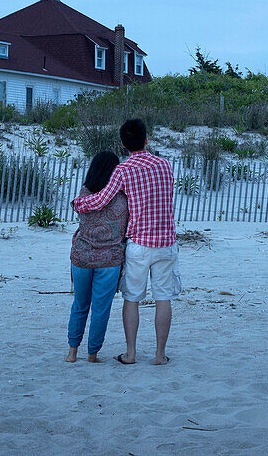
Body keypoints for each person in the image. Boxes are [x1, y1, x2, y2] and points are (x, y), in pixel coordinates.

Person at [72, 118, 177, 365]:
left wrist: (78, 204)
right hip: (166, 242)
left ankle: (130, 353)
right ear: (146, 139)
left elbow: (101, 200)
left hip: (139, 242)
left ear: (122, 144)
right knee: (163, 298)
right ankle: (160, 355)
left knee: (132, 298)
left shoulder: (123, 170)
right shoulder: (165, 165)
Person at [66, 151, 128, 363]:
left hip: (82, 257)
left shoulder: (84, 194)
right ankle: (92, 355)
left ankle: (72, 353)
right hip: (109, 260)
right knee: (101, 309)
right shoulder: (121, 199)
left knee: (80, 305)